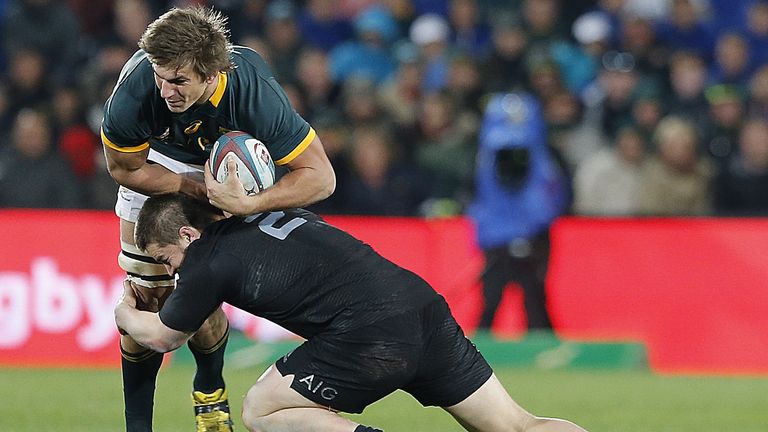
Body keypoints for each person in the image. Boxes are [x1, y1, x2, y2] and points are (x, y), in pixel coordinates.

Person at [115, 192, 589, 432]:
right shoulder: (278, 212)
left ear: (186, 236)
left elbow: (162, 337)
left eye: (164, 259)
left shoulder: (205, 261)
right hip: (424, 309)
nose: (170, 272)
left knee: (261, 410)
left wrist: (123, 313)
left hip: (369, 335)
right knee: (517, 426)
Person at [100, 6, 335, 432]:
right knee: (148, 294)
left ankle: (209, 386)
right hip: (156, 166)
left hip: (226, 167)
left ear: (212, 74)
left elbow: (321, 178)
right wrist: (194, 190)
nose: (165, 90)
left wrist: (247, 202)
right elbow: (125, 169)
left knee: (201, 291)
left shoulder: (253, 91)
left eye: (178, 81)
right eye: (159, 74)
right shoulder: (136, 93)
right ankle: (138, 425)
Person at [468, 92, 570, 333]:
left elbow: (559, 195)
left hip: (529, 236)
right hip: (502, 238)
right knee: (496, 300)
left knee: (533, 299)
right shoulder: (486, 156)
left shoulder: (542, 156)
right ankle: (473, 360)